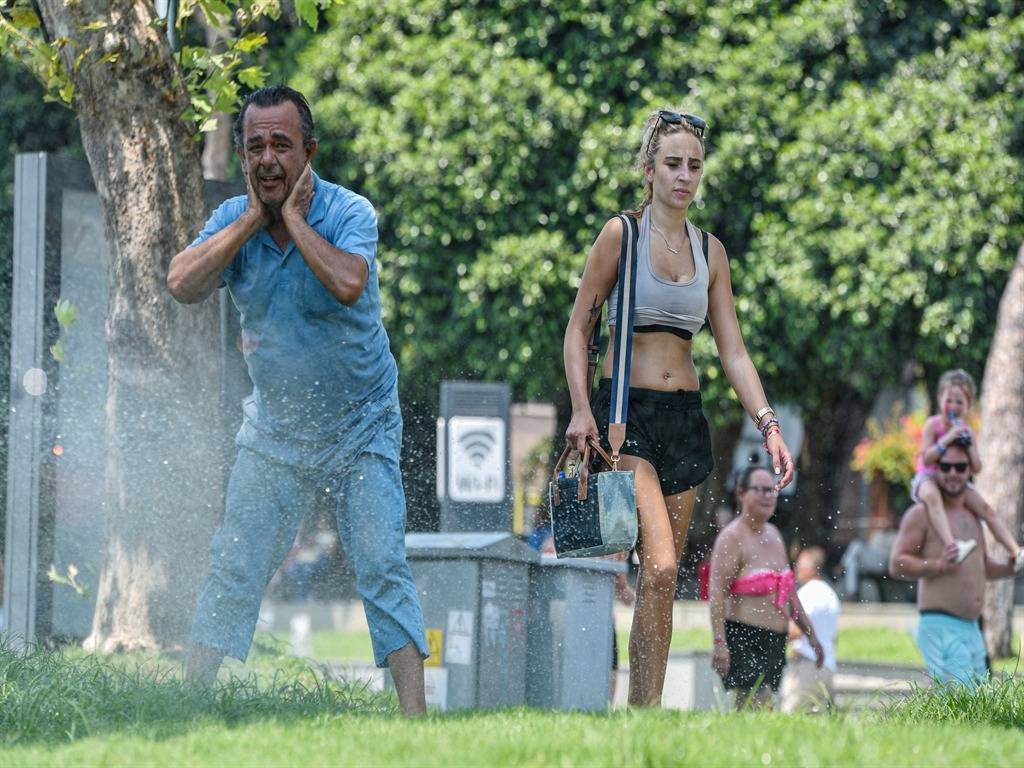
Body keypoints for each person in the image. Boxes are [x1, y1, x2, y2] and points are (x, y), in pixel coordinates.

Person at [167, 86, 427, 714]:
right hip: (276, 432)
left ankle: (418, 728)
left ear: (309, 151)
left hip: (361, 423)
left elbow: (347, 281)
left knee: (382, 564)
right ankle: (182, 710)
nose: (267, 159)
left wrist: (293, 221)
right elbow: (181, 282)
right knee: (234, 564)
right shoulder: (234, 217)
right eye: (255, 146)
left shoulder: (348, 211)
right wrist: (256, 220)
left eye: (282, 144)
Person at [562, 108, 795, 707]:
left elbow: (734, 352)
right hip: (625, 420)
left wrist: (768, 425)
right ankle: (641, 711)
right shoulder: (622, 235)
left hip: (684, 420)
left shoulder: (711, 251)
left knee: (659, 588)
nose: (684, 176)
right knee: (661, 566)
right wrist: (581, 411)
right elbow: (578, 327)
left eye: (694, 165)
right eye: (673, 164)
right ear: (649, 170)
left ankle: (644, 716)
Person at [889, 443, 1016, 689]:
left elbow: (983, 566)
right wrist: (938, 564)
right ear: (935, 469)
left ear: (970, 470)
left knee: (980, 707)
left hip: (973, 627)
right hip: (941, 624)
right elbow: (896, 564)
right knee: (962, 704)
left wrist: (1012, 568)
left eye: (960, 467)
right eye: (945, 466)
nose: (953, 473)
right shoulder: (921, 513)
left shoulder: (972, 515)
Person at [708, 466, 823, 710]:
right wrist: (719, 643)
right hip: (744, 634)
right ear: (741, 493)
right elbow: (716, 592)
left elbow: (789, 593)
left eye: (771, 490)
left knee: (766, 704)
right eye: (759, 490)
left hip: (775, 638)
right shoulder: (732, 537)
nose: (767, 496)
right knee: (754, 702)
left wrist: (812, 635)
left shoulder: (774, 535)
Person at [911, 369, 1022, 568]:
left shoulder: (967, 430)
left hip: (955, 484)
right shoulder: (933, 425)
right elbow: (926, 459)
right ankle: (953, 546)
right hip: (928, 478)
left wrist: (969, 445)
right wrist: (947, 439)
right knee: (932, 497)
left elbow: (977, 468)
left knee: (986, 509)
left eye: (959, 402)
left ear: (968, 405)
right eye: (949, 400)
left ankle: (1015, 550)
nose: (953, 406)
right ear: (940, 399)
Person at [781, 546, 839, 713]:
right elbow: (833, 636)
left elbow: (797, 629)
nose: (795, 569)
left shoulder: (809, 592)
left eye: (799, 565)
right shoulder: (830, 594)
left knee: (791, 717)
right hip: (827, 666)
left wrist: (770, 643)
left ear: (812, 568)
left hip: (807, 666)